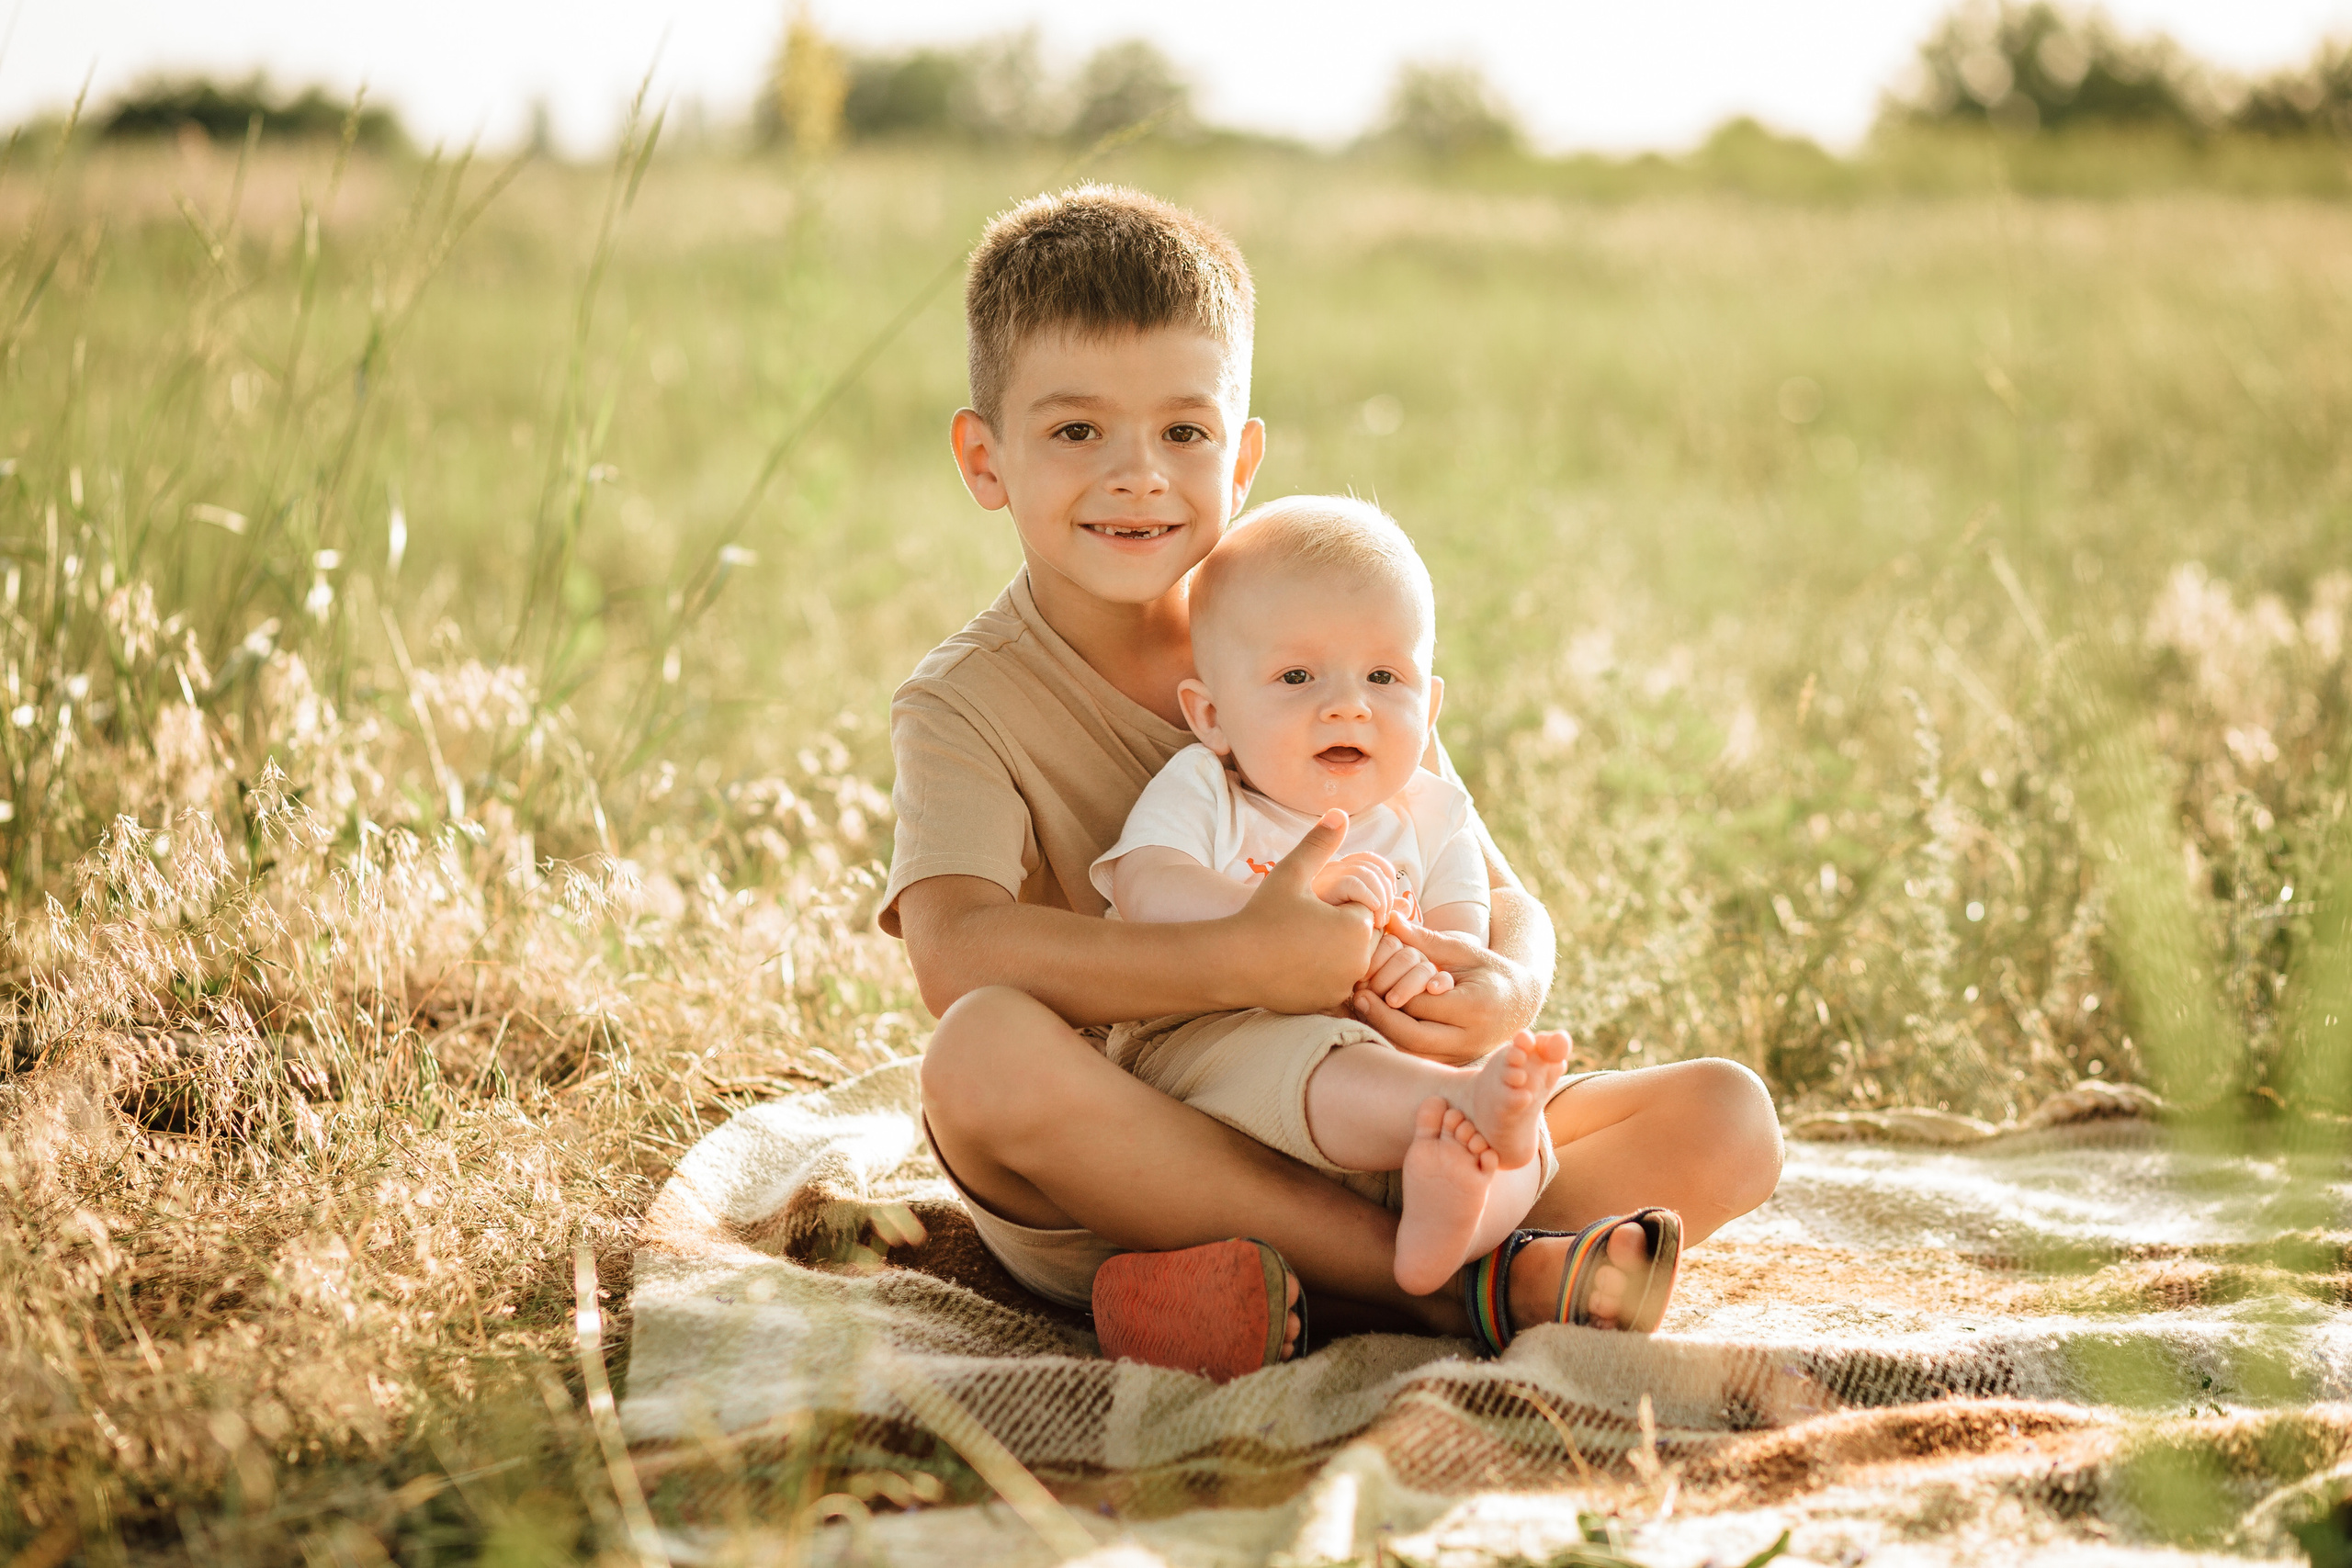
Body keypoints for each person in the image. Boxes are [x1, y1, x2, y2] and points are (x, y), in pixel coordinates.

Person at [888, 183, 1783, 1380]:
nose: (1139, 476)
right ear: (984, 457)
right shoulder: (965, 699)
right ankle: (1460, 1294)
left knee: (1728, 1119)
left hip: (1389, 1116)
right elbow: (957, 956)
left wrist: (1499, 983)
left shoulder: (1314, 624)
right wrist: (1245, 961)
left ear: (1243, 454)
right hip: (1140, 1154)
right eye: (1075, 431)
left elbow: (1497, 887)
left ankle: (1286, 1294)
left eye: (1185, 432)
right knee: (978, 1054)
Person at [1090, 494, 1576, 1302]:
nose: (1348, 704)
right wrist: (1288, 913)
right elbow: (1148, 888)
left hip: (1398, 1064)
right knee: (1327, 1063)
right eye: (1297, 675)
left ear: (1430, 707)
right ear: (1211, 715)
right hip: (1223, 1042)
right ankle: (1455, 1121)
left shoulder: (1432, 812)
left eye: (1384, 676)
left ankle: (1457, 1207)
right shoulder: (1209, 789)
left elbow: (1461, 940)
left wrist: (1431, 986)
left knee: (1526, 1135)